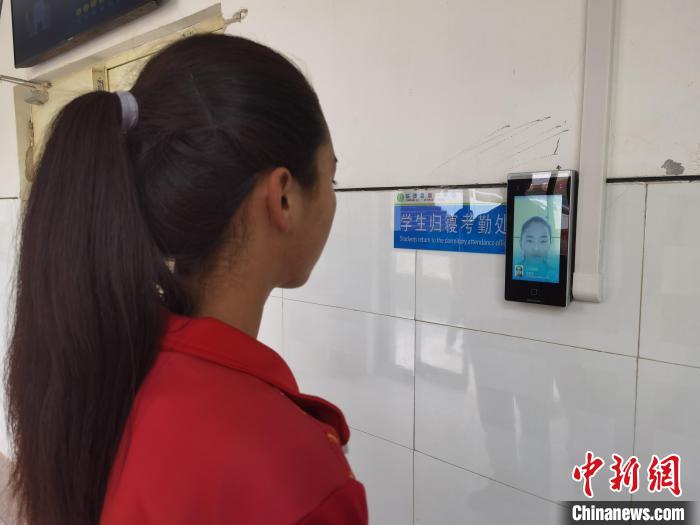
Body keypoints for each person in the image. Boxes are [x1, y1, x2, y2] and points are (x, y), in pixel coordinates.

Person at [6, 33, 368, 525]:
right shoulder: (300, 477)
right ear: (282, 196)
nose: (332, 198)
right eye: (331, 178)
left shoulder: (105, 368)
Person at [515, 215, 558, 282]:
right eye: (530, 241)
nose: (536, 248)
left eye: (542, 241)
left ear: (550, 243)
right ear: (521, 243)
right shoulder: (514, 272)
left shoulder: (555, 275)